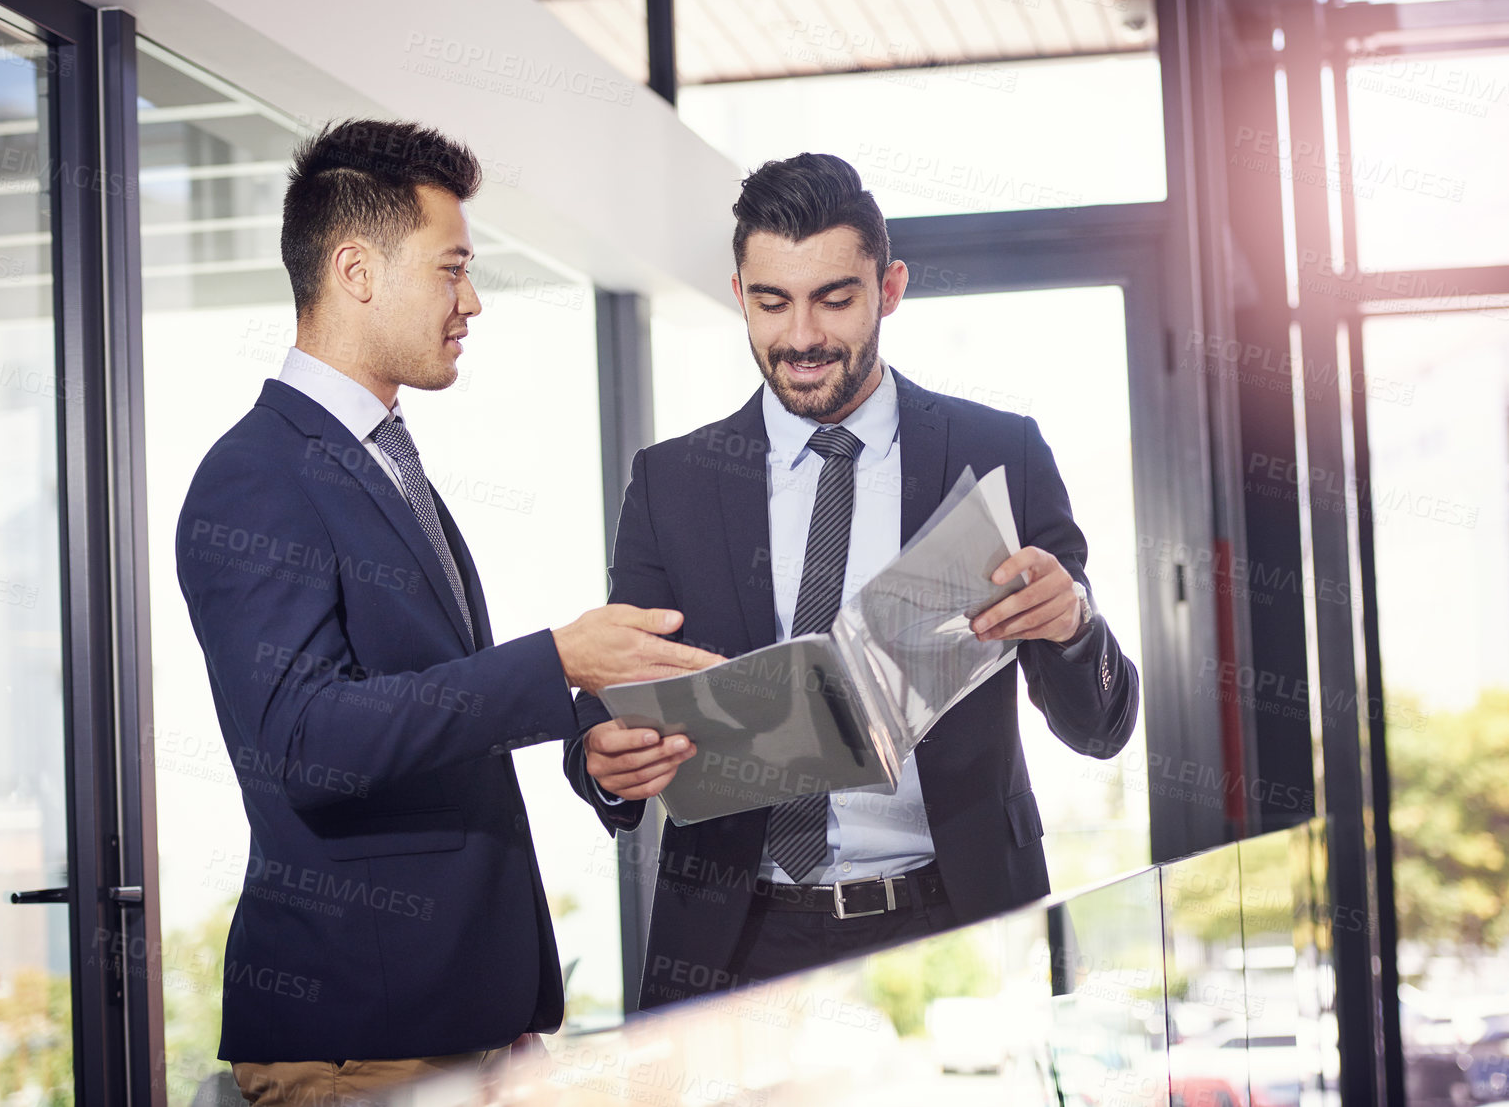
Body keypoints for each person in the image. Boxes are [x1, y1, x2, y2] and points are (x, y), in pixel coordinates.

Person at [176, 119, 715, 1105]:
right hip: (362, 1045)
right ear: (356, 270)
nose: (473, 300)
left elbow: (432, 730)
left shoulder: (384, 461)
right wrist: (553, 663)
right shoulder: (254, 476)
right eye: (452, 267)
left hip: (463, 1031)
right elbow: (306, 740)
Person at [566, 153, 1141, 1010]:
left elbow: (1103, 722)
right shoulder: (671, 481)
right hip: (735, 942)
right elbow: (612, 696)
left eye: (834, 298)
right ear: (738, 293)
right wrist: (600, 758)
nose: (801, 336)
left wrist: (1073, 627)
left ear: (890, 287)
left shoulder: (1001, 455)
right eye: (771, 302)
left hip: (958, 932)